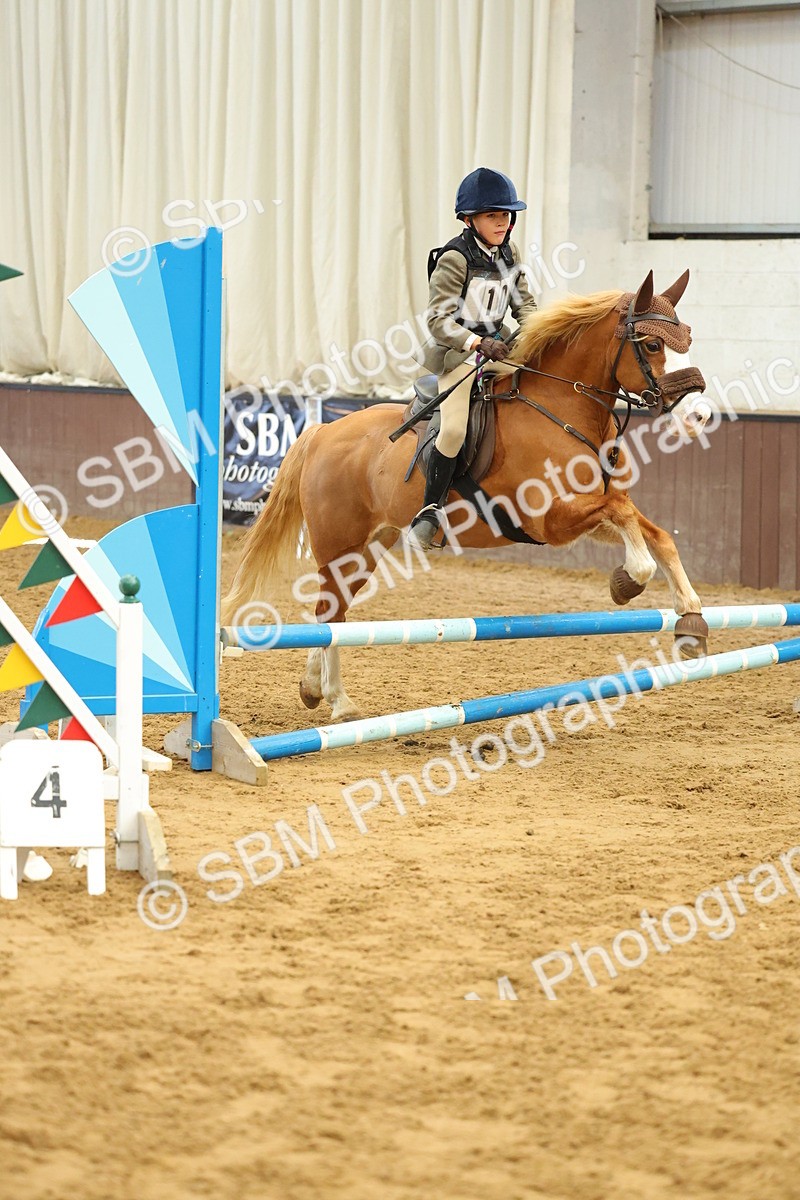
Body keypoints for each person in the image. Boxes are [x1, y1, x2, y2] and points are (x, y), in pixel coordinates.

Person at [408, 167, 538, 551]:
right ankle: (430, 509)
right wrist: (477, 344)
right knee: (451, 430)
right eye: (493, 215)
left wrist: (538, 335)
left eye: (506, 215)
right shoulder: (455, 258)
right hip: (456, 355)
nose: (502, 222)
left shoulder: (508, 253)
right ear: (470, 219)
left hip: (499, 347)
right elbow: (437, 320)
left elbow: (524, 305)